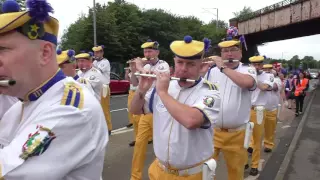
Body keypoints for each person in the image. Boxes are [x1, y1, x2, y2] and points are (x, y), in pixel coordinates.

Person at [0, 0, 108, 179]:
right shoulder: (24, 103)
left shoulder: (70, 109)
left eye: (2, 50)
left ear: (45, 53)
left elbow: (7, 172)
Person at [130, 35, 220, 180]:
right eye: (180, 62)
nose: (183, 69)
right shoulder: (166, 86)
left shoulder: (210, 92)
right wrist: (141, 89)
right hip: (159, 171)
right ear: (174, 62)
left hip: (192, 175)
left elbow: (191, 121)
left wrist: (163, 93)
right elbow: (135, 110)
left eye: (190, 64)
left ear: (201, 66)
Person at [203, 27, 257, 180]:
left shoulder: (248, 70)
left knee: (235, 173)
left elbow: (246, 83)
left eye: (233, 50)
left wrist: (222, 67)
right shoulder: (211, 71)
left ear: (240, 53)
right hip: (212, 131)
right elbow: (203, 94)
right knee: (205, 171)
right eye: (225, 51)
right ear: (221, 54)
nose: (229, 54)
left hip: (236, 135)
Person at [129, 39, 169, 180]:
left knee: (162, 147)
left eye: (150, 50)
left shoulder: (163, 65)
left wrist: (140, 67)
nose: (147, 53)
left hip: (160, 114)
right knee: (139, 145)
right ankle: (135, 177)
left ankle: (161, 175)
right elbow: (134, 83)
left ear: (157, 52)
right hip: (145, 113)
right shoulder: (143, 67)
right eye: (145, 51)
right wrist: (134, 70)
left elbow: (156, 78)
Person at [246, 57, 274, 176]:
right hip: (244, 109)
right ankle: (243, 162)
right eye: (254, 65)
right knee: (242, 138)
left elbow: (264, 88)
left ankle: (254, 165)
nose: (256, 67)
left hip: (258, 110)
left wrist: (253, 78)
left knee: (256, 139)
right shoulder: (245, 73)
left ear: (262, 65)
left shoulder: (269, 76)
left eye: (259, 64)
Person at [92, 45, 112, 135]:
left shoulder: (105, 62)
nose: (96, 54)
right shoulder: (95, 61)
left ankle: (108, 128)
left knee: (104, 109)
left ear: (102, 53)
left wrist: (91, 64)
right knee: (96, 109)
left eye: (98, 52)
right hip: (95, 87)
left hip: (104, 87)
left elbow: (98, 71)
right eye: (95, 52)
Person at [263, 64, 281, 153]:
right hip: (259, 109)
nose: (267, 70)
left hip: (271, 109)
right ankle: (252, 145)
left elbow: (274, 87)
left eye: (269, 69)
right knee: (254, 129)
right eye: (265, 69)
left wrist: (268, 81)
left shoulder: (277, 80)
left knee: (269, 130)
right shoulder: (259, 78)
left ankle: (268, 145)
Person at [125, 66, 140, 147]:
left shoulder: (140, 72)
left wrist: (134, 72)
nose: (131, 66)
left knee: (139, 118)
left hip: (138, 93)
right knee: (134, 116)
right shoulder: (132, 73)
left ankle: (149, 137)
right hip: (132, 91)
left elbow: (135, 82)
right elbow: (129, 80)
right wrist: (127, 72)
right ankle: (136, 138)